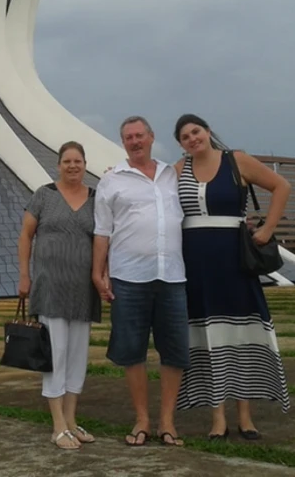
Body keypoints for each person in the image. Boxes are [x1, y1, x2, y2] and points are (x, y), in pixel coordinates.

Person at [173, 113, 291, 440]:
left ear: (208, 131)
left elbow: (282, 186)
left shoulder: (236, 160)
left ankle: (245, 415)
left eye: (196, 131)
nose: (192, 139)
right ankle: (217, 418)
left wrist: (268, 227)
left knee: (241, 334)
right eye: (185, 136)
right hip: (195, 264)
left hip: (234, 262)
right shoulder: (178, 170)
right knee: (208, 337)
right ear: (181, 144)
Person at [92, 116, 189, 447]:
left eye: (139, 135)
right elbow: (102, 231)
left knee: (174, 351)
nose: (134, 141)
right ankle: (142, 419)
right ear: (123, 143)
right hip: (128, 276)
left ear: (151, 137)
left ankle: (167, 421)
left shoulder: (171, 175)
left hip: (172, 275)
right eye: (128, 137)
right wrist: (98, 271)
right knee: (132, 351)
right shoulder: (112, 180)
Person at [18, 140, 102, 450]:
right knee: (56, 355)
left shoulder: (95, 198)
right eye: (67, 161)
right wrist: (25, 275)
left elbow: (102, 240)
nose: (73, 166)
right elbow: (26, 235)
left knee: (77, 357)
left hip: (82, 290)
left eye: (78, 161)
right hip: (51, 287)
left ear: (84, 164)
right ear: (59, 165)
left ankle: (70, 419)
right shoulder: (44, 195)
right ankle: (57, 426)